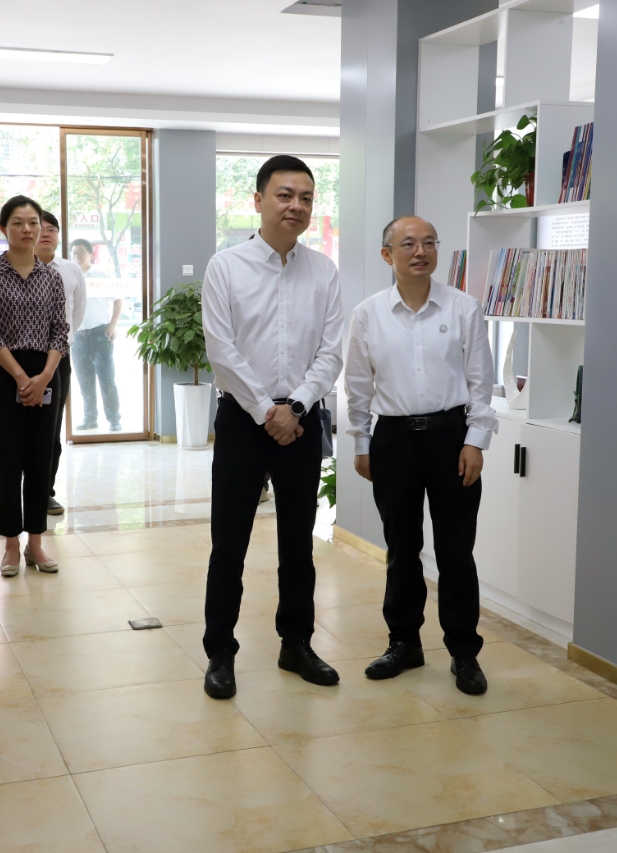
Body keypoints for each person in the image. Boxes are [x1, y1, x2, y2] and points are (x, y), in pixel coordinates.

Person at [200, 155, 344, 700]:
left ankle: (296, 644)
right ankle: (220, 652)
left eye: (305, 197)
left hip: (301, 422)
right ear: (258, 200)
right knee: (229, 543)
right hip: (243, 419)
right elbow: (222, 349)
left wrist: (297, 406)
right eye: (285, 195)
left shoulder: (324, 271)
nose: (296, 206)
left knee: (298, 544)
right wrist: (266, 409)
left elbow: (331, 351)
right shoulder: (226, 267)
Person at [346, 216, 497, 695]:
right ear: (387, 254)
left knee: (456, 549)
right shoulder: (368, 314)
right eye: (408, 243)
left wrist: (476, 440)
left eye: (429, 242)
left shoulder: (464, 307)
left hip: (451, 436)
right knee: (401, 548)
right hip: (393, 439)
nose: (420, 251)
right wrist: (361, 442)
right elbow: (357, 385)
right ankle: (404, 643)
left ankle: (464, 652)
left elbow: (481, 382)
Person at [0, 196, 69, 577]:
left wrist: (44, 376)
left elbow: (60, 330)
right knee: (8, 458)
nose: (27, 229)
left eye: (33, 222)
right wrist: (18, 376)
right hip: (4, 374)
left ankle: (36, 543)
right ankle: (11, 545)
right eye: (18, 222)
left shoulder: (52, 276)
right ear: (4, 228)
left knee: (41, 459)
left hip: (47, 372)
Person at [36, 212, 86, 516]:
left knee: (51, 428)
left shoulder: (70, 270)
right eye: (40, 228)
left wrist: (59, 346)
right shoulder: (12, 269)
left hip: (58, 359)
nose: (46, 233)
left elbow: (76, 313)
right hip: (16, 359)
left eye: (52, 229)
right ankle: (7, 493)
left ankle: (45, 492)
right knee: (13, 430)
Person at [70, 238, 123, 432]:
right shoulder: (69, 277)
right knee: (85, 381)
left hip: (100, 334)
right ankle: (90, 419)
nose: (77, 256)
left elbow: (118, 301)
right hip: (78, 337)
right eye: (74, 252)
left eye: (81, 252)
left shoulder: (101, 276)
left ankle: (114, 419)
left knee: (106, 378)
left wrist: (112, 325)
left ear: (90, 254)